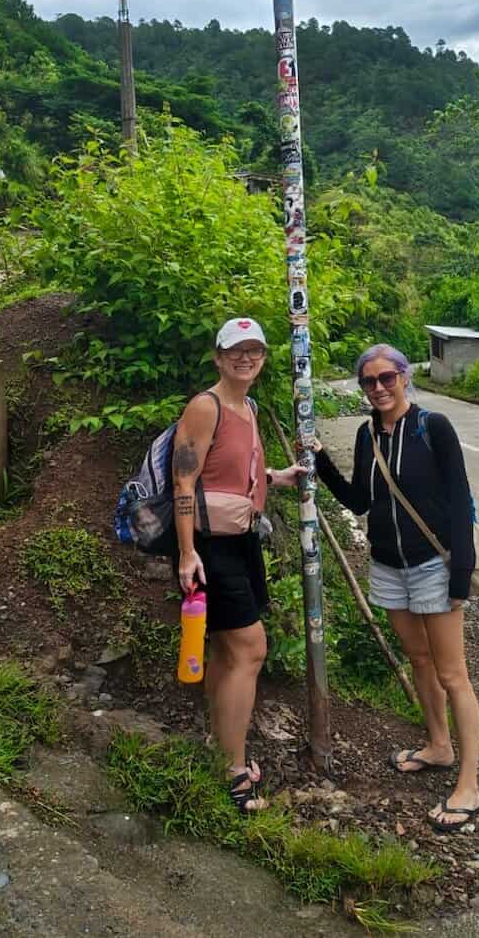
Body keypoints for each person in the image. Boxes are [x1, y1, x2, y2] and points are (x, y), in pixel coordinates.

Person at [313, 343, 479, 832]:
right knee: (420, 661)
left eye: (387, 378)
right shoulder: (367, 435)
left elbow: (459, 500)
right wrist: (321, 462)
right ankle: (439, 746)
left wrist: (461, 572)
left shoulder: (434, 427)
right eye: (369, 381)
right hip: (388, 568)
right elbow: (358, 501)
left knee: (453, 675)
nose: (379, 388)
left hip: (434, 565)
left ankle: (469, 785)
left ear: (405, 377)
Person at [171, 317, 304, 813]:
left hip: (242, 539)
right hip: (210, 546)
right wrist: (187, 553)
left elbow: (229, 472)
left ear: (263, 358)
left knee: (228, 653)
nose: (245, 358)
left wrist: (276, 477)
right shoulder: (205, 406)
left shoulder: (247, 407)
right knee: (250, 648)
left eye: (255, 351)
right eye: (235, 350)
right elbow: (184, 482)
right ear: (218, 357)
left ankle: (219, 744)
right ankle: (234, 772)